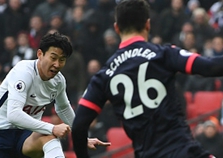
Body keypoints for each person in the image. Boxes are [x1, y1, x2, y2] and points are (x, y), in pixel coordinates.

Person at [71, 0, 223, 157]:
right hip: (181, 150)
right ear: (148, 24)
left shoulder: (104, 75)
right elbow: (210, 66)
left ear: (116, 28)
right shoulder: (164, 54)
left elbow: (78, 127)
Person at [0, 32, 110, 158]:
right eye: (53, 58)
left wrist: (82, 138)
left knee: (49, 138)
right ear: (40, 54)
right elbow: (13, 114)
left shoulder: (59, 81)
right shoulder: (23, 71)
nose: (57, 64)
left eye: (62, 60)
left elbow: (63, 108)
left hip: (25, 137)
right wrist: (52, 128)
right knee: (50, 132)